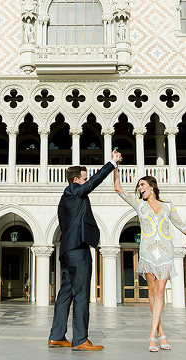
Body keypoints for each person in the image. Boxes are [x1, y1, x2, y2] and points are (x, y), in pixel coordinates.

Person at [112, 151, 186, 353]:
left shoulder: (168, 207)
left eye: (142, 185)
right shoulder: (139, 205)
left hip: (165, 252)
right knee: (152, 292)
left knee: (160, 292)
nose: (140, 188)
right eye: (139, 186)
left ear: (152, 187)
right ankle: (160, 334)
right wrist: (116, 165)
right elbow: (118, 188)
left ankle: (152, 335)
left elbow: (182, 226)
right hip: (148, 253)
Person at [48, 149, 120, 351]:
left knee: (65, 293)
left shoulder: (67, 198)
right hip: (78, 250)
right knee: (81, 293)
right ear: (76, 180)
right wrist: (112, 163)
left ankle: (57, 336)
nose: (87, 181)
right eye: (84, 178)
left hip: (67, 251)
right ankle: (80, 339)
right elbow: (93, 182)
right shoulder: (73, 191)